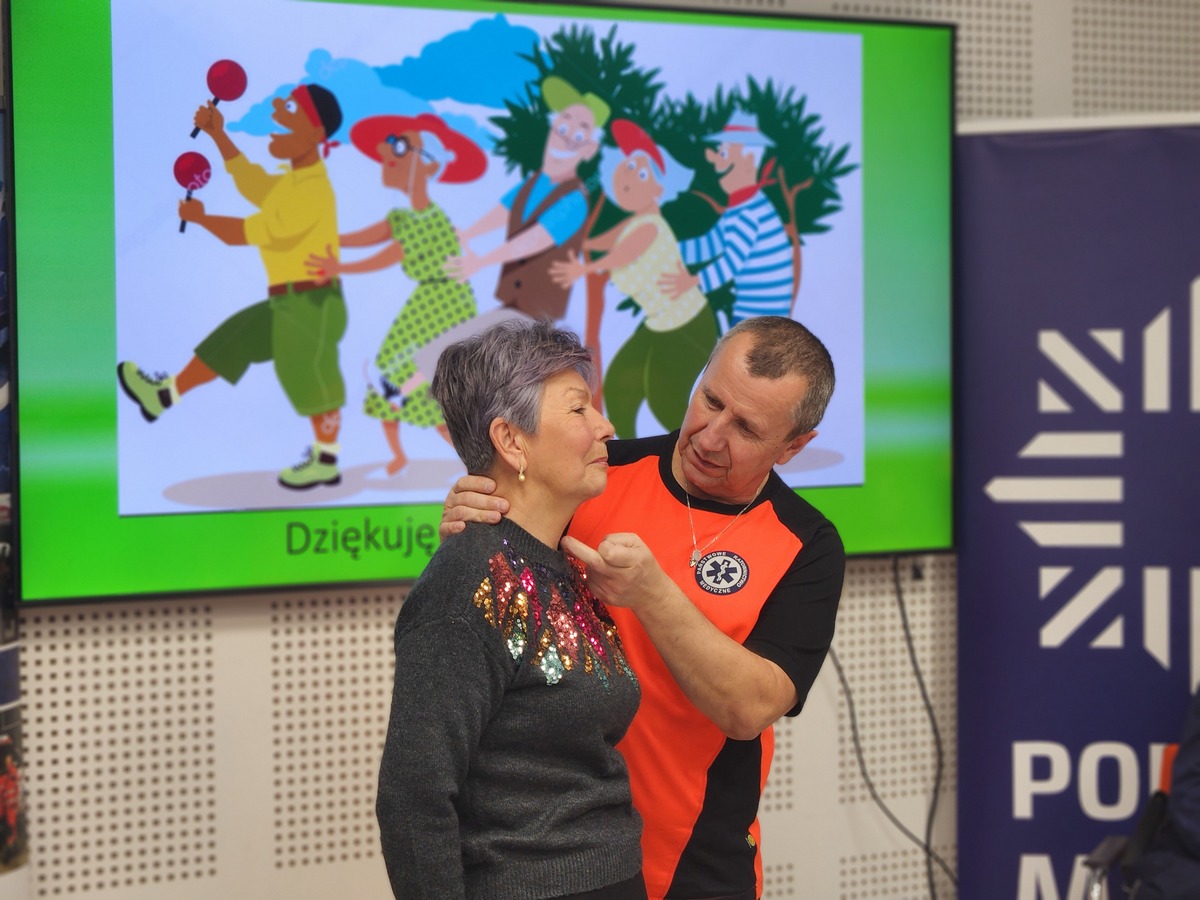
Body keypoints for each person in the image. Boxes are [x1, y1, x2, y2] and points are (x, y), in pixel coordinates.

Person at [442, 315, 846, 900]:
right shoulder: (591, 473)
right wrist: (469, 520)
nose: (710, 436)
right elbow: (487, 607)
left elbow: (750, 709)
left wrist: (654, 596)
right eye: (710, 400)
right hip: (557, 852)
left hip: (692, 858)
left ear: (793, 446)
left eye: (746, 429)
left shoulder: (806, 544)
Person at [376, 318, 646, 899]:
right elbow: (414, 798)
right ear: (512, 441)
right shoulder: (468, 583)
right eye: (579, 409)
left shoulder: (561, 563)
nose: (606, 426)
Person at [118, 83, 348, 489]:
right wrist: (218, 133)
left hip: (311, 303)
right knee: (231, 341)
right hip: (289, 302)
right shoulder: (293, 180)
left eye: (291, 108)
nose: (277, 112)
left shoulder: (312, 189)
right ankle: (163, 395)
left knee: (309, 377)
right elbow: (254, 185)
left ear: (315, 133)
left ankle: (327, 459)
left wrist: (203, 218)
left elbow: (251, 230)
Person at [306, 113, 486, 475]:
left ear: (427, 165)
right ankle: (399, 454)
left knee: (435, 382)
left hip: (445, 305)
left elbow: (394, 253)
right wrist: (329, 239)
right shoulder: (404, 217)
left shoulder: (433, 219)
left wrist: (340, 267)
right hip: (426, 301)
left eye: (402, 147)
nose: (388, 152)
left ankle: (477, 459)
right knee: (390, 370)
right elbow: (374, 235)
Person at [550, 118, 718, 438]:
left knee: (664, 400)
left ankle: (703, 451)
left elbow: (622, 254)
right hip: (660, 323)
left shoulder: (651, 226)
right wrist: (578, 240)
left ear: (659, 189)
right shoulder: (633, 223)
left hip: (688, 323)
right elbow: (603, 242)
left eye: (642, 174)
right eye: (627, 167)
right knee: (618, 386)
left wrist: (582, 270)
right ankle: (621, 455)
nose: (629, 176)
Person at [445, 75, 608, 321]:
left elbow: (535, 239)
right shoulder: (535, 181)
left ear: (588, 149)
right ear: (552, 128)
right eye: (563, 127)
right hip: (513, 299)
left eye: (578, 135)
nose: (565, 138)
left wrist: (481, 261)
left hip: (538, 313)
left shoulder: (575, 200)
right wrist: (468, 234)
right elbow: (505, 210)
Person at [659, 111, 795, 326]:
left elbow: (731, 262)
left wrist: (693, 281)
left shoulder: (750, 212)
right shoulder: (740, 206)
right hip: (754, 313)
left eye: (724, 153)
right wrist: (665, 249)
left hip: (762, 315)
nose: (714, 161)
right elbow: (709, 244)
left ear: (748, 161)